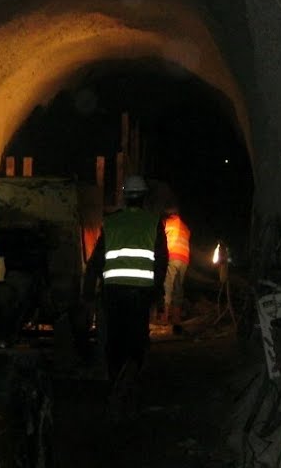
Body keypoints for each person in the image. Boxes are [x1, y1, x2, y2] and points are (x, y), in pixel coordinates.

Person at [82, 174, 168, 420]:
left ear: (125, 196)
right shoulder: (154, 223)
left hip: (113, 293)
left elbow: (95, 261)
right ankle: (130, 386)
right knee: (137, 340)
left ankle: (115, 386)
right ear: (143, 197)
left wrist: (88, 293)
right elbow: (161, 262)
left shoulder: (111, 223)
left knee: (115, 341)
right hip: (140, 294)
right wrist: (157, 291)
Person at [160, 202, 191, 335]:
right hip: (184, 258)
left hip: (172, 255)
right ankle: (176, 318)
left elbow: (160, 240)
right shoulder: (185, 227)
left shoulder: (167, 223)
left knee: (168, 285)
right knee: (179, 287)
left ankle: (165, 317)